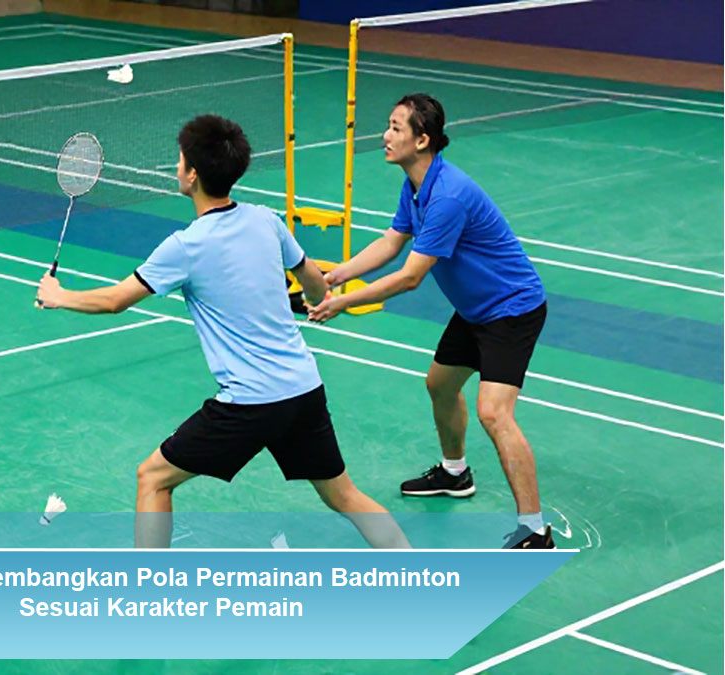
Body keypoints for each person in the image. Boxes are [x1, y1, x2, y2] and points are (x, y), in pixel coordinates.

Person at [36, 114, 408, 549]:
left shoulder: (185, 246)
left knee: (152, 478)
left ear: (193, 174)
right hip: (303, 388)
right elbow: (313, 282)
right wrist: (313, 298)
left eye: (180, 160)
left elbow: (115, 300)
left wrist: (59, 295)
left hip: (250, 402)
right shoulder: (266, 220)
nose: (177, 167)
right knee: (344, 495)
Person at [308, 94, 552, 549]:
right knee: (440, 385)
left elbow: (409, 278)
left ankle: (535, 529)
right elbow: (391, 242)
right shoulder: (417, 185)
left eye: (396, 128)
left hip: (511, 309)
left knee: (494, 412)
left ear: (422, 140)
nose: (385, 135)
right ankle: (455, 473)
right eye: (388, 125)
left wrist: (343, 303)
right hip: (476, 309)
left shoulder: (448, 196)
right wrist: (336, 275)